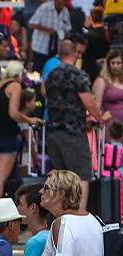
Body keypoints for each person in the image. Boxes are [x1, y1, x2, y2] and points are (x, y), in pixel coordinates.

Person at [44, 40, 106, 210]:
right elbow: (89, 103)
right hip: (72, 131)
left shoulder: (51, 75)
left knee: (60, 177)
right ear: (76, 54)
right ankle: (79, 214)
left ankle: (61, 215)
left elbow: (44, 93)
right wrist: (100, 118)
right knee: (81, 175)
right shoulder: (77, 75)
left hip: (53, 131)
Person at [0, 61, 38, 202]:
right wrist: (30, 120)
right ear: (19, 74)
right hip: (6, 135)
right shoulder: (15, 86)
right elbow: (13, 113)